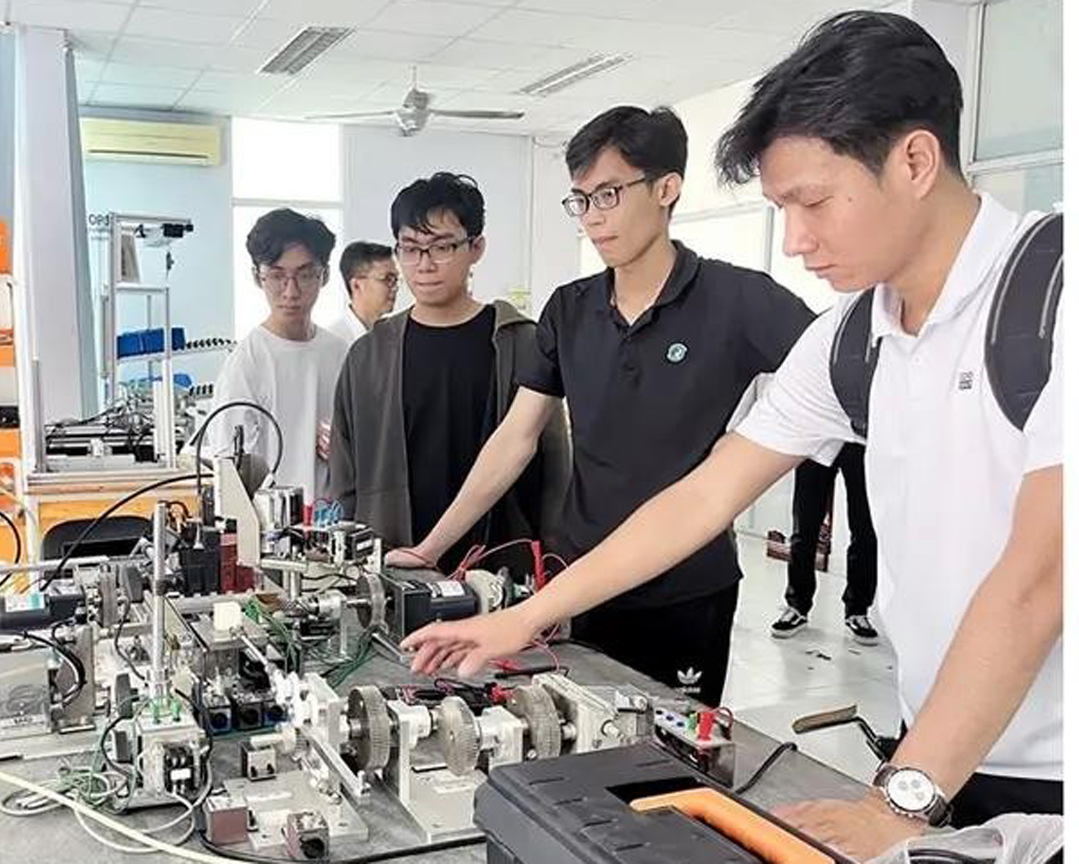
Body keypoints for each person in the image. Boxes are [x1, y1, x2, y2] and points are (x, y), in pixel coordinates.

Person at [401, 12, 1061, 859]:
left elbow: (1038, 581)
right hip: (941, 747)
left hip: (1049, 770)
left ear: (916, 160)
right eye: (781, 207)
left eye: (813, 201)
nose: (797, 239)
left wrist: (903, 799)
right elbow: (705, 495)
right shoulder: (854, 334)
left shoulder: (1053, 302)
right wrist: (523, 617)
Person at [385, 109, 814, 706]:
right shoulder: (570, 308)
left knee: (672, 756)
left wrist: (752, 445)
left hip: (686, 587)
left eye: (608, 194)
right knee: (577, 735)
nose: (592, 218)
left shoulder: (740, 300)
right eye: (580, 200)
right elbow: (516, 437)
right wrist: (432, 547)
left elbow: (831, 382)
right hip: (581, 580)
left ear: (667, 189)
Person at [330, 172, 569, 576]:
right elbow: (346, 475)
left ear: (476, 248)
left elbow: (555, 471)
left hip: (500, 568)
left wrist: (553, 566)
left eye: (442, 247)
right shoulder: (369, 355)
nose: (424, 264)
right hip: (396, 564)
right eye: (410, 248)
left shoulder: (521, 343)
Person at [208, 208, 348, 503]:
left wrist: (346, 447)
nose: (291, 291)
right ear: (258, 277)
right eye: (277, 276)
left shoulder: (340, 353)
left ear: (324, 276)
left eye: (305, 275)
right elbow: (229, 469)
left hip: (334, 522)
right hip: (271, 529)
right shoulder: (247, 363)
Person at [772, 443, 879, 644]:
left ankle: (858, 610)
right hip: (820, 433)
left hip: (860, 437)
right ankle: (797, 606)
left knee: (864, 529)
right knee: (804, 527)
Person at [325, 241, 399, 345]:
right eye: (387, 279)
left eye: (395, 279)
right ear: (356, 286)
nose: (395, 288)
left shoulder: (395, 336)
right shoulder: (333, 342)